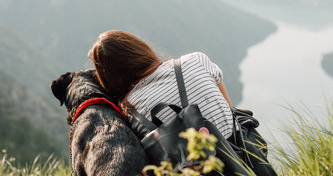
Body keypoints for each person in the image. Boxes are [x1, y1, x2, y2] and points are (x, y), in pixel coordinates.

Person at [88, 30, 237, 139]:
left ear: (110, 78)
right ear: (140, 49)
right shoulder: (196, 60)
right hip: (244, 157)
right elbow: (231, 113)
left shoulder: (132, 111)